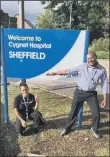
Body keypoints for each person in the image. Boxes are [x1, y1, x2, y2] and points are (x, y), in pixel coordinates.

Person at [47, 52, 108, 138]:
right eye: (88, 59)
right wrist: (55, 73)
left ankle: (94, 129)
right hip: (79, 92)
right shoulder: (83, 66)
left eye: (91, 58)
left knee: (96, 113)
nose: (89, 60)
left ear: (95, 57)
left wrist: (105, 99)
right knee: (73, 112)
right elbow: (68, 71)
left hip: (91, 94)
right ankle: (66, 128)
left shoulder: (102, 70)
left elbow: (104, 84)